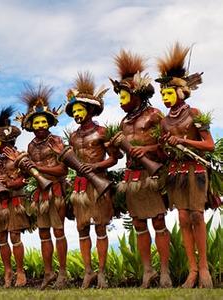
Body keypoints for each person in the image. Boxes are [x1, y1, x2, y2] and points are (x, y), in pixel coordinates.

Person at [109, 50, 172, 288]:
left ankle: (165, 272)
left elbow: (167, 147)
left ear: (137, 95)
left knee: (158, 222)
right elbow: (115, 156)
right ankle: (148, 272)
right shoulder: (124, 123)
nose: (121, 100)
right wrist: (113, 149)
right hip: (132, 177)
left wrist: (148, 149)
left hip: (151, 175)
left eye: (124, 96)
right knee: (138, 224)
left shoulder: (155, 115)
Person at [157, 43, 214, 288]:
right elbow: (163, 152)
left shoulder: (196, 113)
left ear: (181, 92)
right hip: (175, 173)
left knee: (197, 216)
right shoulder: (163, 122)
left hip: (196, 170)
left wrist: (183, 140)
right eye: (162, 95)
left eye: (168, 93)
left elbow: (209, 145)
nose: (165, 98)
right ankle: (191, 270)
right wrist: (166, 146)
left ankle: (204, 270)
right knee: (182, 217)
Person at [54, 72, 117, 288]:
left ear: (90, 110)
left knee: (100, 228)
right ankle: (87, 272)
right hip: (80, 187)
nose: (77, 114)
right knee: (82, 229)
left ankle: (102, 273)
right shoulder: (73, 137)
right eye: (74, 111)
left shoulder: (102, 132)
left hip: (99, 184)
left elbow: (114, 159)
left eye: (80, 110)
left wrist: (96, 166)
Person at [15, 84, 68, 290]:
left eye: (43, 121)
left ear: (49, 123)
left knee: (59, 231)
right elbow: (31, 172)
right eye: (36, 122)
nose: (39, 125)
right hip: (40, 194)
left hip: (55, 191)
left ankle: (62, 273)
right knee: (43, 233)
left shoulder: (56, 141)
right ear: (31, 125)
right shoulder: (30, 146)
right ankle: (48, 273)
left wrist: (37, 166)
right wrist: (25, 169)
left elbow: (63, 169)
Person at [0, 106, 30, 288]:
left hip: (15, 200)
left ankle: (20, 271)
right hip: (1, 203)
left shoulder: (20, 156)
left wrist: (11, 182)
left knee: (15, 236)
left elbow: (28, 178)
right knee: (1, 237)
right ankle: (7, 271)